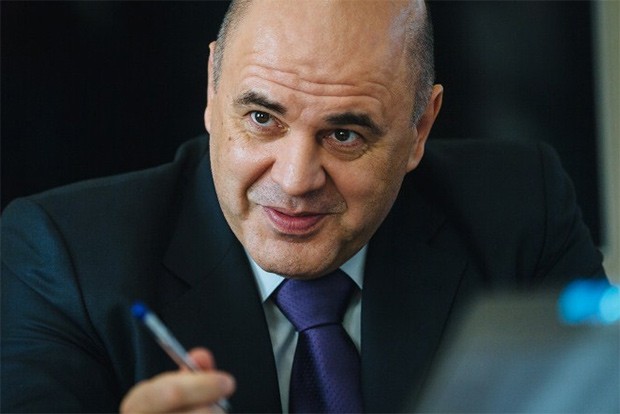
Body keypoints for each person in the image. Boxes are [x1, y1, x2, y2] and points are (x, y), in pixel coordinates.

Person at [1, 0, 604, 413]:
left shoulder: (522, 209)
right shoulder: (62, 258)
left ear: (420, 128)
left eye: (345, 134)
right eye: (262, 118)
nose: (294, 181)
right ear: (212, 88)